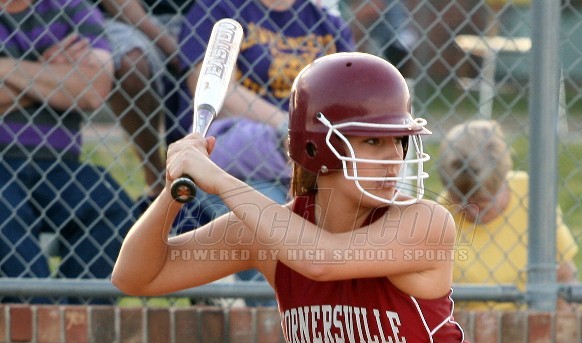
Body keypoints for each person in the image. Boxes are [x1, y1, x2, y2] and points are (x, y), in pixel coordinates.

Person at [113, 52, 523, 343]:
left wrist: (218, 179)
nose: (394, 158)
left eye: (398, 140)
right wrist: (177, 185)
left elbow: (321, 260)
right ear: (316, 146)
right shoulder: (270, 233)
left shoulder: (423, 221)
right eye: (372, 141)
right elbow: (136, 276)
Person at [168, 0, 355, 306]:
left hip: (311, 158)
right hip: (240, 160)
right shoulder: (219, 9)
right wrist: (288, 128)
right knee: (274, 227)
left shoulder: (325, 22)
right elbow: (218, 92)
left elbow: (350, 98)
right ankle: (279, 321)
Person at [0, 0, 134, 287]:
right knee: (4, 214)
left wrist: (7, 68)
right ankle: (36, 307)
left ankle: (76, 310)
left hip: (60, 166)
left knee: (113, 207)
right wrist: (50, 73)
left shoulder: (71, 7)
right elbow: (77, 85)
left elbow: (94, 88)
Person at [437, 119, 579, 310]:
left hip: (528, 321)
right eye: (458, 200)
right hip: (462, 325)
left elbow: (565, 278)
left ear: (503, 181)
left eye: (481, 203)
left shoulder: (530, 195)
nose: (469, 210)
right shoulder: (437, 217)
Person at [92, 0, 194, 212]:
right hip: (126, 19)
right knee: (131, 64)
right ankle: (158, 181)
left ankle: (198, 181)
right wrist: (171, 48)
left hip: (199, 13)